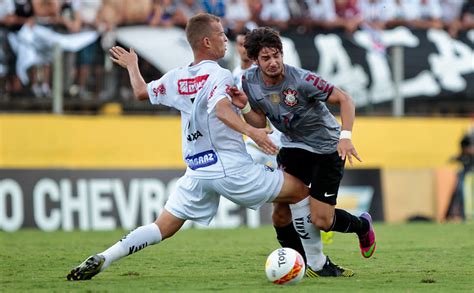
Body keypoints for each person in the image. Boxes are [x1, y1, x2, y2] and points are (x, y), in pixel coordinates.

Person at [66, 13, 343, 281]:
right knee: (299, 192)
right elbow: (222, 109)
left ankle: (106, 256)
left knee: (161, 227)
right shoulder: (219, 75)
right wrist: (253, 132)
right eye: (221, 35)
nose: (226, 39)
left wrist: (132, 66)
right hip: (229, 167)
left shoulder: (176, 76)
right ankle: (317, 263)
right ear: (207, 42)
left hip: (197, 169)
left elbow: (141, 92)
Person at [226, 27, 376, 262]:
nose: (274, 62)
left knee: (321, 220)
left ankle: (362, 226)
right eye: (266, 58)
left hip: (326, 148)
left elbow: (346, 99)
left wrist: (345, 135)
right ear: (255, 60)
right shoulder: (249, 81)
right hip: (292, 148)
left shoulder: (302, 80)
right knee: (281, 214)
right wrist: (245, 106)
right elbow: (260, 121)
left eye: (277, 55)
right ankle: (299, 264)